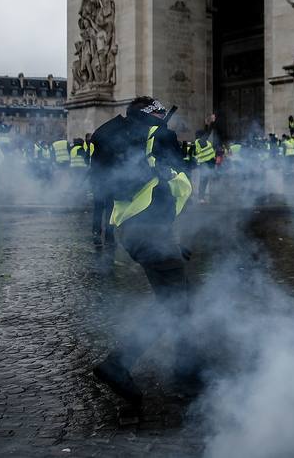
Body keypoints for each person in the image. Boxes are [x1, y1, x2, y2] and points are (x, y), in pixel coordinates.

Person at [91, 96, 194, 405]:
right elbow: (177, 178)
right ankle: (119, 364)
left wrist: (172, 242)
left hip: (136, 231)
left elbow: (145, 193)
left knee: (181, 300)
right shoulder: (159, 136)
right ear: (155, 114)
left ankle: (189, 372)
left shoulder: (123, 136)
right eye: (162, 113)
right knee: (174, 303)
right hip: (151, 233)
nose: (166, 118)